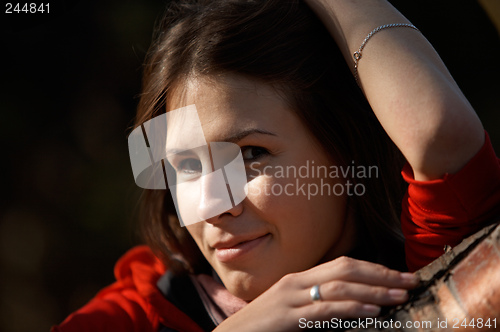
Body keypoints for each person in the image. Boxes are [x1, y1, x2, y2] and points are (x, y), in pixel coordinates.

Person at [52, 0, 500, 331]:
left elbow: (441, 133)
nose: (210, 204)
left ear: (344, 155)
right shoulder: (139, 312)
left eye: (252, 154)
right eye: (186, 164)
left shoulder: (417, 270)